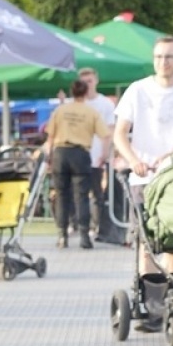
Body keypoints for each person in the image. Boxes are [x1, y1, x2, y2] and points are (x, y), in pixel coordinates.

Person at [113, 35, 173, 286]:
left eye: (169, 56)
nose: (164, 62)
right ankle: (150, 295)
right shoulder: (138, 90)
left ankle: (169, 292)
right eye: (159, 56)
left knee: (172, 240)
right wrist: (133, 160)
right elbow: (119, 133)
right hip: (144, 176)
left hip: (171, 178)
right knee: (146, 241)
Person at [44, 78, 109, 249]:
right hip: (80, 154)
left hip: (61, 153)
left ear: (71, 92)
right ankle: (84, 237)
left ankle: (62, 236)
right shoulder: (91, 112)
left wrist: (49, 156)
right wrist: (103, 154)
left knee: (61, 195)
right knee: (82, 196)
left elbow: (50, 135)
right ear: (86, 92)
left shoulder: (60, 110)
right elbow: (105, 135)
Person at [77, 67, 118, 243]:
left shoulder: (105, 104)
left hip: (97, 155)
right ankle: (81, 228)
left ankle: (97, 226)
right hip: (79, 155)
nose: (87, 84)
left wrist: (105, 152)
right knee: (79, 194)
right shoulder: (76, 103)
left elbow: (110, 129)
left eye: (90, 81)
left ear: (96, 81)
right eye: (84, 82)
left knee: (97, 194)